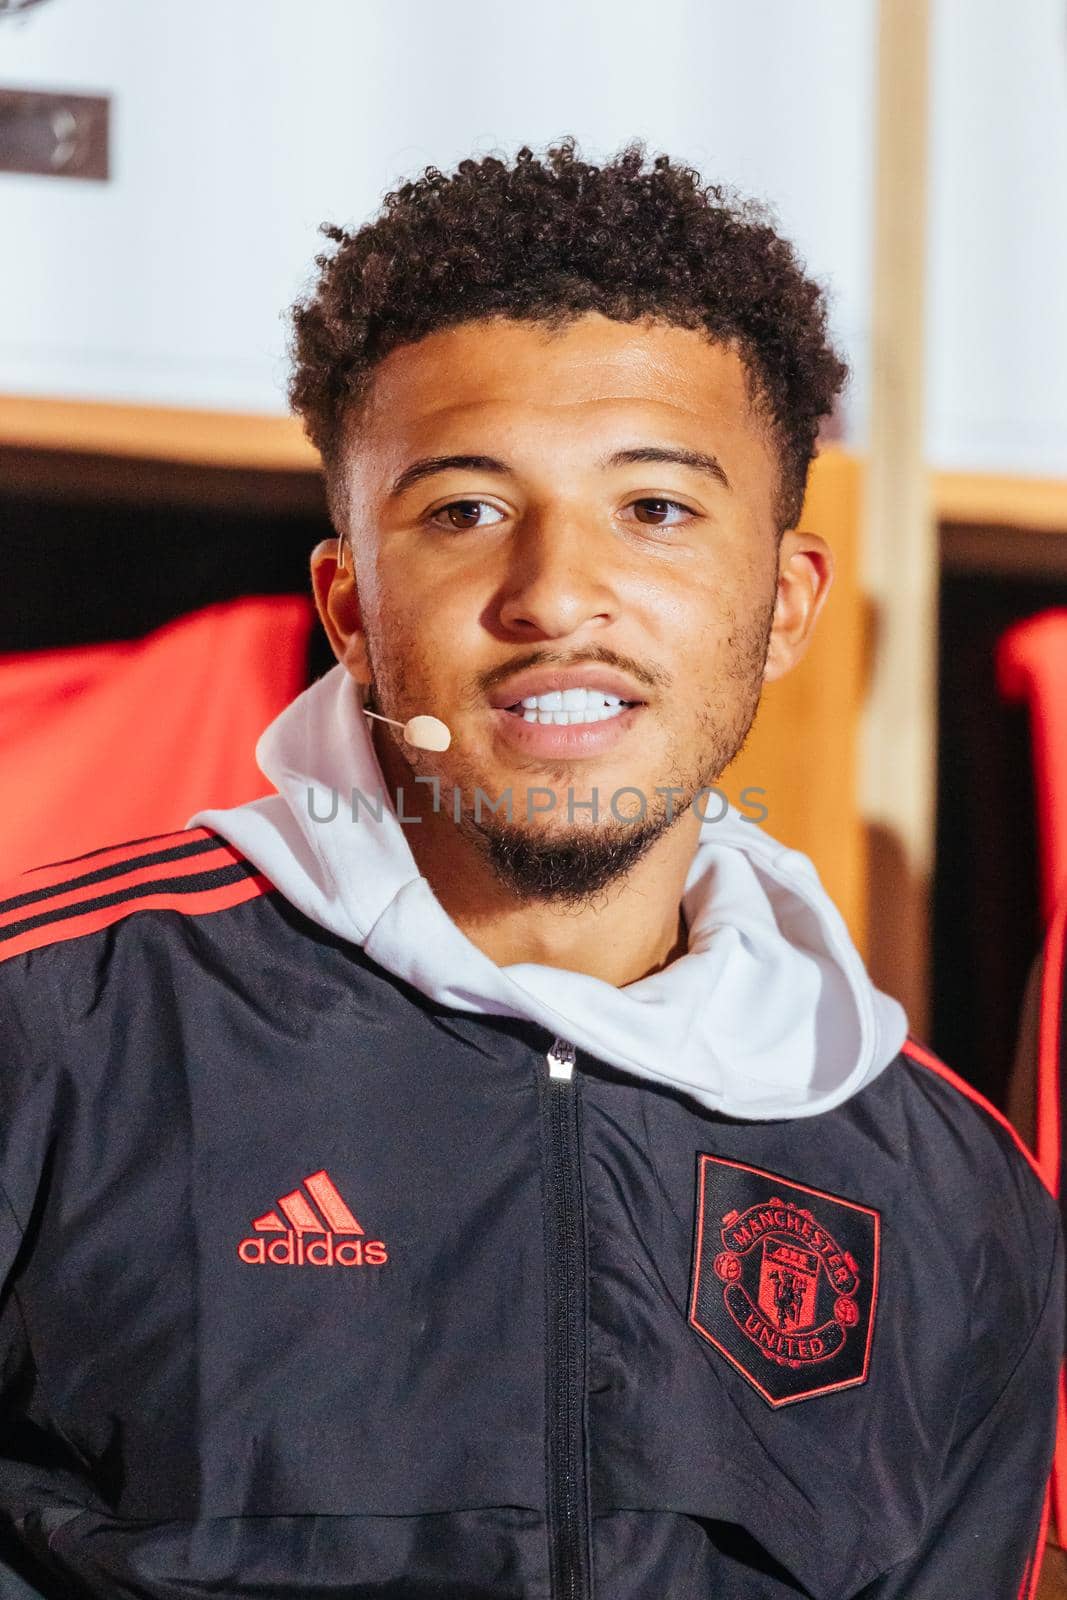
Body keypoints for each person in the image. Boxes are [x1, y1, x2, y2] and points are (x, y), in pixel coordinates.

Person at [0, 138, 1061, 1599]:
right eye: (466, 511)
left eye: (658, 509)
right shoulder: (56, 1034)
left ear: (785, 603)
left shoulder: (948, 1190)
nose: (557, 595)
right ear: (350, 606)